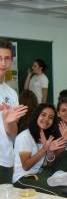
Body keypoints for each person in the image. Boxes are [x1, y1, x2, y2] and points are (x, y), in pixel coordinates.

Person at [13, 104, 67, 195]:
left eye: (50, 117)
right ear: (36, 115)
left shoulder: (43, 135)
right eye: (43, 115)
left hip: (37, 174)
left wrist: (49, 151)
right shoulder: (25, 136)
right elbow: (26, 166)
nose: (46, 119)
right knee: (59, 193)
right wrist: (43, 150)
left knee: (65, 187)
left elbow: (49, 164)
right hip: (22, 178)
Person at [0, 38, 27, 183]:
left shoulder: (11, 93)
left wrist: (7, 122)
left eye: (7, 58)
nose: (3, 63)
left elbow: (13, 133)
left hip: (5, 160)